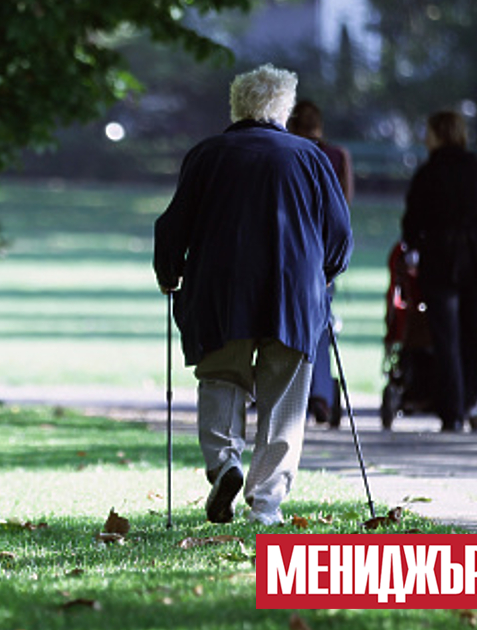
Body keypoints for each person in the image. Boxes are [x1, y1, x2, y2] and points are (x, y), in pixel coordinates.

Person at [153, 65, 353, 526]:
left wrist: (169, 273)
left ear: (236, 105)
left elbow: (173, 225)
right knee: (283, 398)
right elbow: (340, 233)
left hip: (221, 291)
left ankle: (225, 463)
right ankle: (265, 504)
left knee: (222, 378)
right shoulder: (310, 157)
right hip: (293, 294)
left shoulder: (206, 155)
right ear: (284, 109)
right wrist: (326, 273)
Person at [401, 110, 477, 433]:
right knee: (472, 335)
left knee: (446, 338)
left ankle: (452, 411)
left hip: (440, 258)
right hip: (475, 259)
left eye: (428, 132)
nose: (424, 138)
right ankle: (472, 399)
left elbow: (412, 221)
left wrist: (414, 246)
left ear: (439, 134)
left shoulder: (428, 173)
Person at [287, 100, 355, 427]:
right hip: (323, 252)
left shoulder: (287, 153)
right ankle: (322, 393)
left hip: (290, 250)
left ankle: (291, 393)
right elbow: (344, 204)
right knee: (321, 322)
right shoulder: (337, 156)